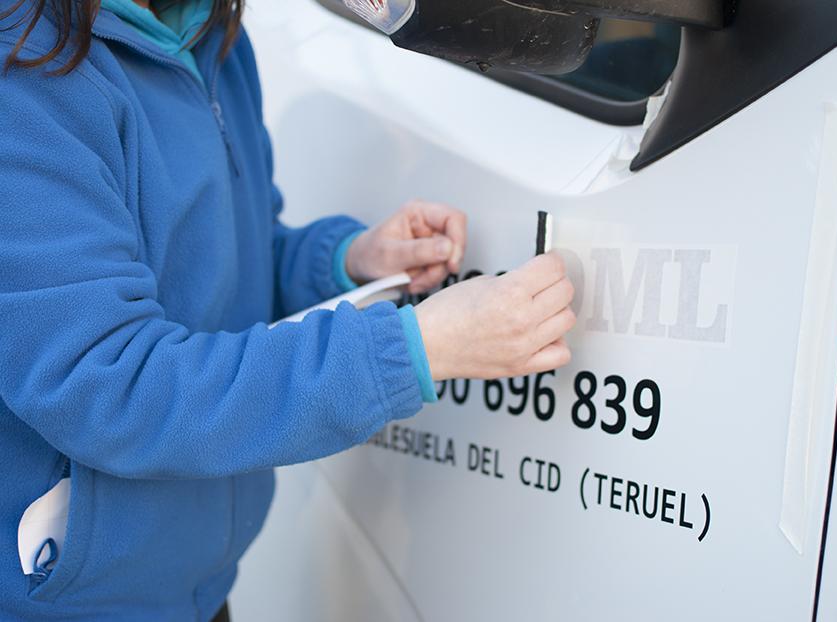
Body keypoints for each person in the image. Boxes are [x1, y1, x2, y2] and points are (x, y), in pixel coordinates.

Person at [0, 0, 576, 619]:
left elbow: (218, 269)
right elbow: (111, 385)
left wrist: (347, 260)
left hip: (195, 590)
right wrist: (418, 350)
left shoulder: (211, 38)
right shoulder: (23, 71)